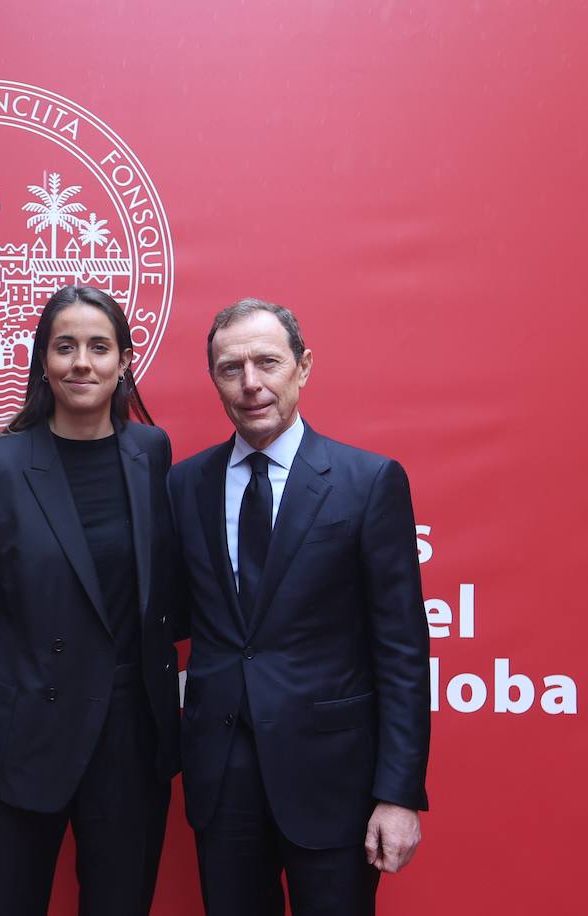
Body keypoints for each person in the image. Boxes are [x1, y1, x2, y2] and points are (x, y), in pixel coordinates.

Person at [167, 298, 430, 916]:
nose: (251, 384)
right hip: (221, 776)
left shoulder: (368, 482)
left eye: (267, 362)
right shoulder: (184, 484)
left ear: (303, 367)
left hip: (334, 783)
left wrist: (398, 795)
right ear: (214, 379)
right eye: (231, 368)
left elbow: (402, 652)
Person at [0, 286, 182, 916]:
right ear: (42, 360)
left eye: (99, 347)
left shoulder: (150, 452)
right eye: (64, 346)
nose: (82, 362)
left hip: (129, 737)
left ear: (124, 360)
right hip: (23, 741)